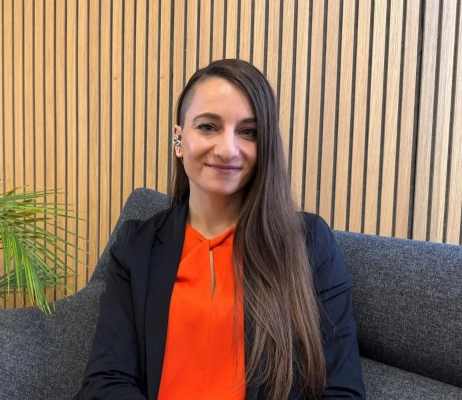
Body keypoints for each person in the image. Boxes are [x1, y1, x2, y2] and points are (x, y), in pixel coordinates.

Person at [74, 59, 366, 400]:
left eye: (248, 132)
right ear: (179, 139)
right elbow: (106, 380)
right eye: (208, 127)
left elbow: (342, 392)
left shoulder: (308, 243)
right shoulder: (136, 246)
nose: (227, 150)